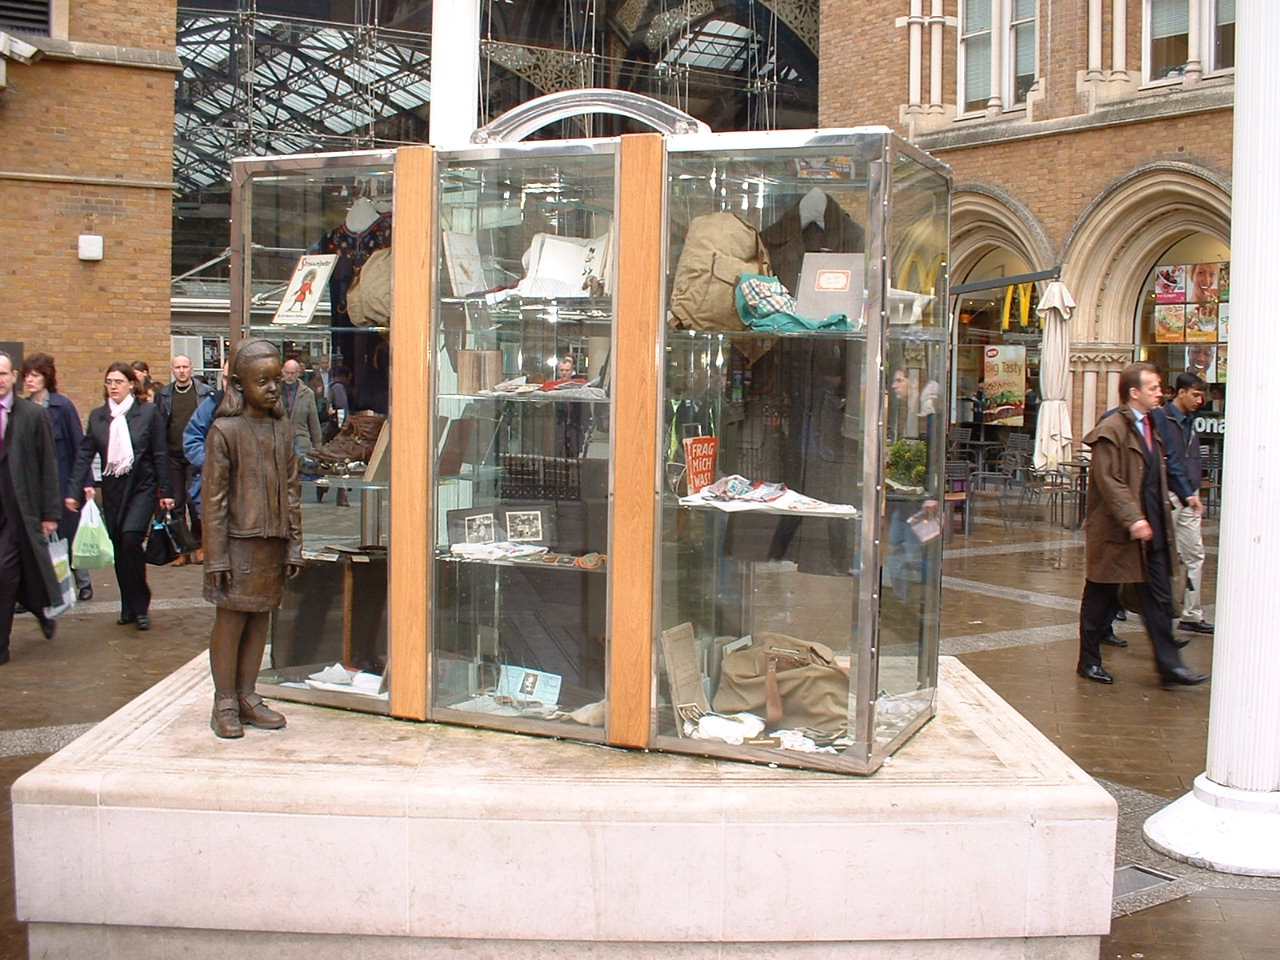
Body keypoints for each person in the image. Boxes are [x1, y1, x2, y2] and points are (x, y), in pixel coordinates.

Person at [1076, 362, 1208, 689]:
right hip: (1118, 533)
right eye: (1153, 388)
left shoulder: (1155, 423)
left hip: (1154, 529)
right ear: (1134, 393)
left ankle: (1170, 667)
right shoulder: (1111, 428)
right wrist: (1133, 519)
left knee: (1159, 600)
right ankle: (1088, 661)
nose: (1160, 393)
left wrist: (1186, 494)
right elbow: (1110, 481)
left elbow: (1167, 465)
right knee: (1101, 597)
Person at [202, 338, 302, 738]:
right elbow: (214, 500)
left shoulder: (282, 429)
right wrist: (216, 556)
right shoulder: (224, 432)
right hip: (236, 544)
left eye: (277, 380)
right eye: (263, 381)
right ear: (239, 385)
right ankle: (224, 700)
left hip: (271, 542)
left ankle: (247, 694)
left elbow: (292, 492)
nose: (273, 388)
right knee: (230, 621)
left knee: (260, 619)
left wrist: (294, 544)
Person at [66, 362, 174, 631]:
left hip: (142, 486)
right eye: (109, 382)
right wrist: (74, 491)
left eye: (118, 382)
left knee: (130, 538)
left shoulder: (147, 413)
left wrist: (167, 491)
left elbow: (160, 453)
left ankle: (141, 605)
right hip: (113, 489)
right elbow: (84, 455)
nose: (113, 387)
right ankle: (128, 605)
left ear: (131, 385)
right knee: (120, 548)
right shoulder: (99, 417)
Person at [0, 351, 63, 664]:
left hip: (18, 509)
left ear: (14, 377)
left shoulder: (32, 415)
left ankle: (1, 645)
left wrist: (50, 513)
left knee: (4, 572)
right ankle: (37, 606)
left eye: (3, 374)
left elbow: (47, 465)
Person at [21, 353, 93, 601]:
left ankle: (82, 581)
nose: (30, 380)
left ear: (46, 377)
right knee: (36, 538)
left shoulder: (62, 407)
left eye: (35, 375)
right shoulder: (23, 409)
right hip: (34, 485)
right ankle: (40, 588)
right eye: (27, 376)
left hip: (63, 482)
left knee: (68, 534)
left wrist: (85, 483)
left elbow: (79, 447)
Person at [1152, 372, 1213, 635]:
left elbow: (1189, 458)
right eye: (1196, 394)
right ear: (1181, 392)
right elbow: (1167, 458)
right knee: (1156, 554)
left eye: (1202, 395)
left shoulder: (1190, 421)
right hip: (1168, 493)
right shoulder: (1161, 418)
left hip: (1189, 494)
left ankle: (1191, 614)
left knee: (1194, 553)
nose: (1200, 400)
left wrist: (1194, 488)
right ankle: (1124, 601)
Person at [155, 353, 212, 566]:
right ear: (172, 370)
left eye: (185, 367)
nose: (181, 371)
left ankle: (200, 545)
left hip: (195, 454)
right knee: (175, 502)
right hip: (173, 455)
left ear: (192, 368)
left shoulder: (204, 393)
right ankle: (182, 550)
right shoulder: (164, 395)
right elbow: (159, 425)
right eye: (177, 367)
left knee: (195, 500)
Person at [281, 358, 321, 460]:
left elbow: (314, 421)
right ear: (282, 372)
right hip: (279, 439)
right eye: (287, 373)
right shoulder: (274, 392)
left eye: (293, 373)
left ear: (298, 373)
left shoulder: (307, 393)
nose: (289, 376)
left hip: (300, 440)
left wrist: (318, 447)